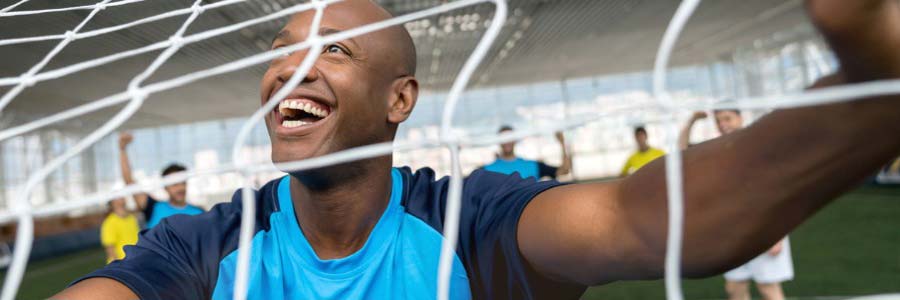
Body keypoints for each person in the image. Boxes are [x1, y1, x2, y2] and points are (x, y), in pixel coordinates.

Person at [58, 0, 900, 299]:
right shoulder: (207, 246)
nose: (289, 65)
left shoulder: (467, 225)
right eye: (282, 47)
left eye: (335, 51)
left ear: (401, 101)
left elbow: (638, 223)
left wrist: (872, 88)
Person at [680, 110, 794, 300]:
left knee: (768, 288)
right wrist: (692, 120)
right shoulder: (716, 149)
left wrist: (777, 235)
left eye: (727, 118)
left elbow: (778, 189)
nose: (723, 124)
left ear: (740, 118)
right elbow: (683, 151)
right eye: (718, 121)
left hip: (764, 227)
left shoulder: (759, 146)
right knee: (735, 287)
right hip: (733, 232)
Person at [118, 132, 204, 228]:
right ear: (165, 187)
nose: (180, 188)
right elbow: (129, 182)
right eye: (174, 184)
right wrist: (122, 149)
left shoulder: (199, 213)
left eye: (183, 183)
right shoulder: (154, 207)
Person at [481, 125, 572, 180]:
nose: (507, 141)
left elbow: (564, 170)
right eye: (504, 138)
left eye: (509, 137)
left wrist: (562, 143)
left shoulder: (532, 166)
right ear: (499, 141)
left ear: (515, 140)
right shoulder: (487, 170)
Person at [100, 196, 140, 264]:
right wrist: (120, 266)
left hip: (137, 261)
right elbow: (110, 249)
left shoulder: (132, 218)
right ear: (113, 203)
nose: (122, 198)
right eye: (118, 197)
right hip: (123, 265)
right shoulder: (109, 223)